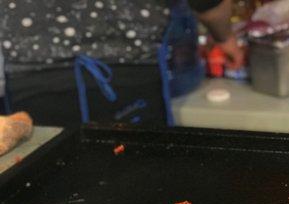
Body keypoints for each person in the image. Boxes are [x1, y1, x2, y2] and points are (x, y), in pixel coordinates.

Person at [0, 0, 244, 126]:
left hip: (32, 83)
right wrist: (225, 37)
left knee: (43, 195)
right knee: (139, 192)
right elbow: (210, 5)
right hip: (129, 74)